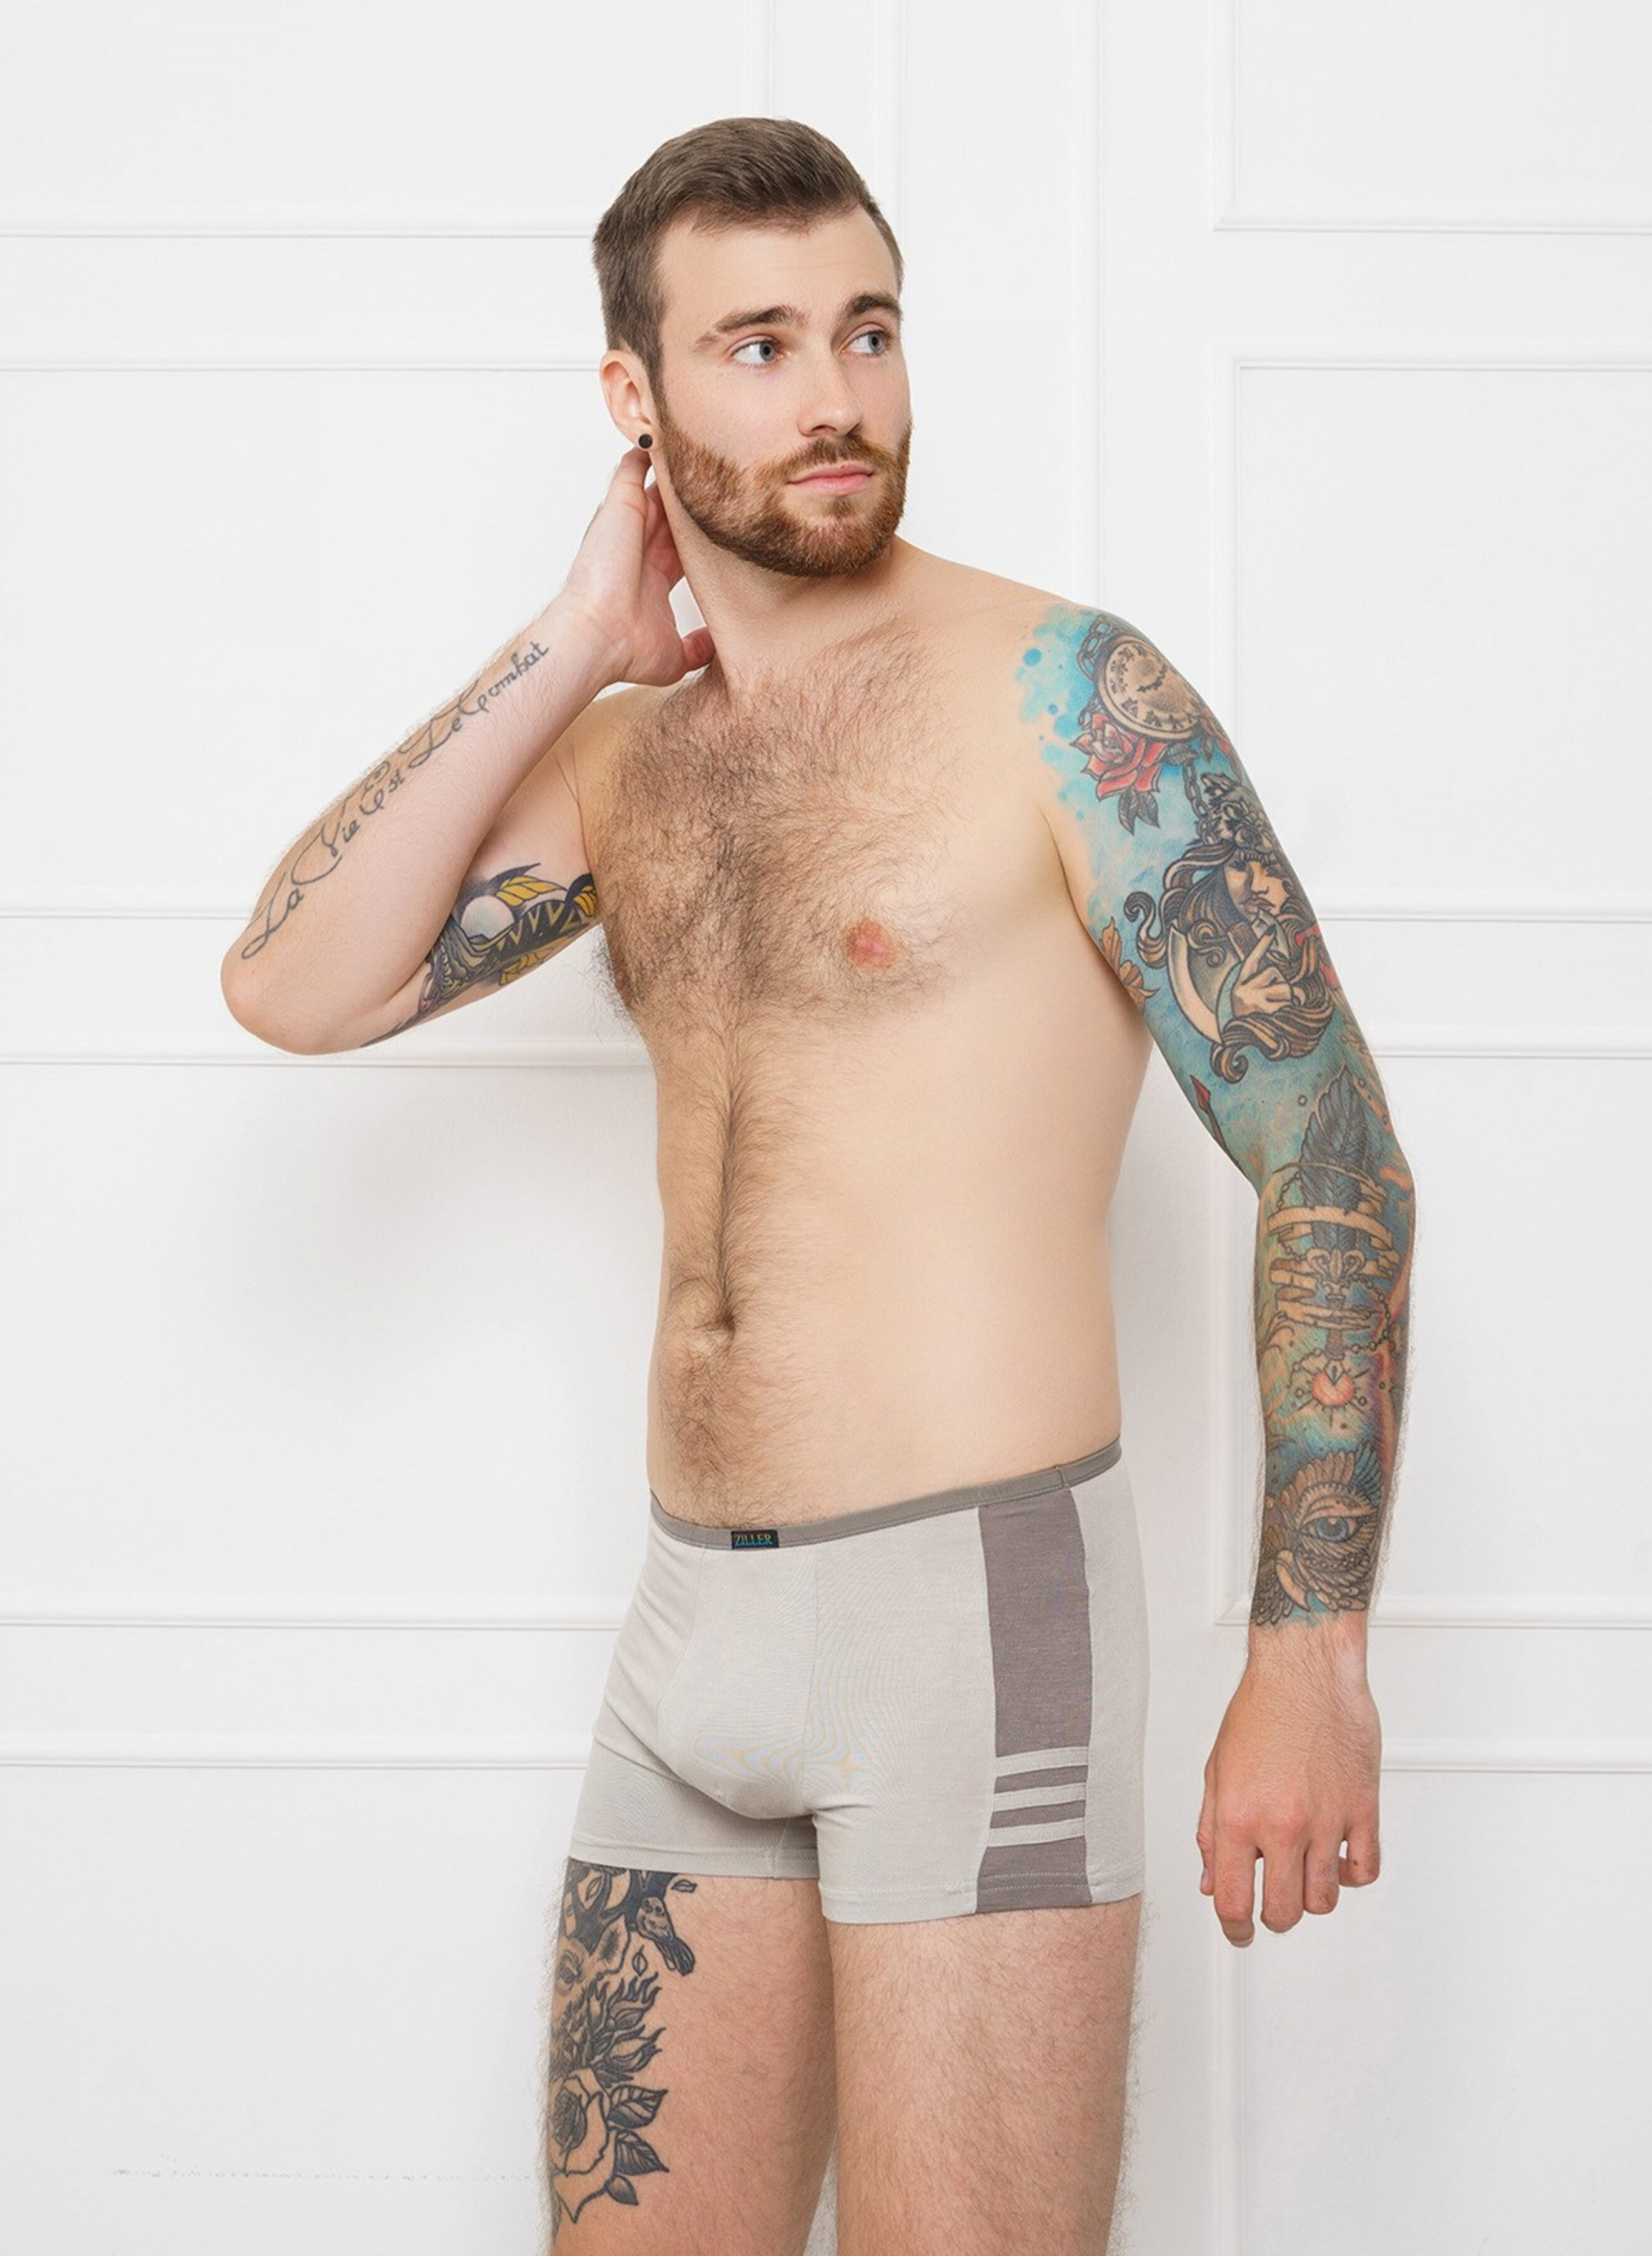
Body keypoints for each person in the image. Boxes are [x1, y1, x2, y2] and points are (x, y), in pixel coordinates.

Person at [221, 114, 1416, 2256]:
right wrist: (573, 635)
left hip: (973, 1631)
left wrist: (1307, 1652)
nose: (835, 394)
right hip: (691, 1627)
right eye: (756, 345)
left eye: (865, 329)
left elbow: (1325, 1151)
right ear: (635, 395)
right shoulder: (631, 761)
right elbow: (299, 987)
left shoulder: (1067, 698)